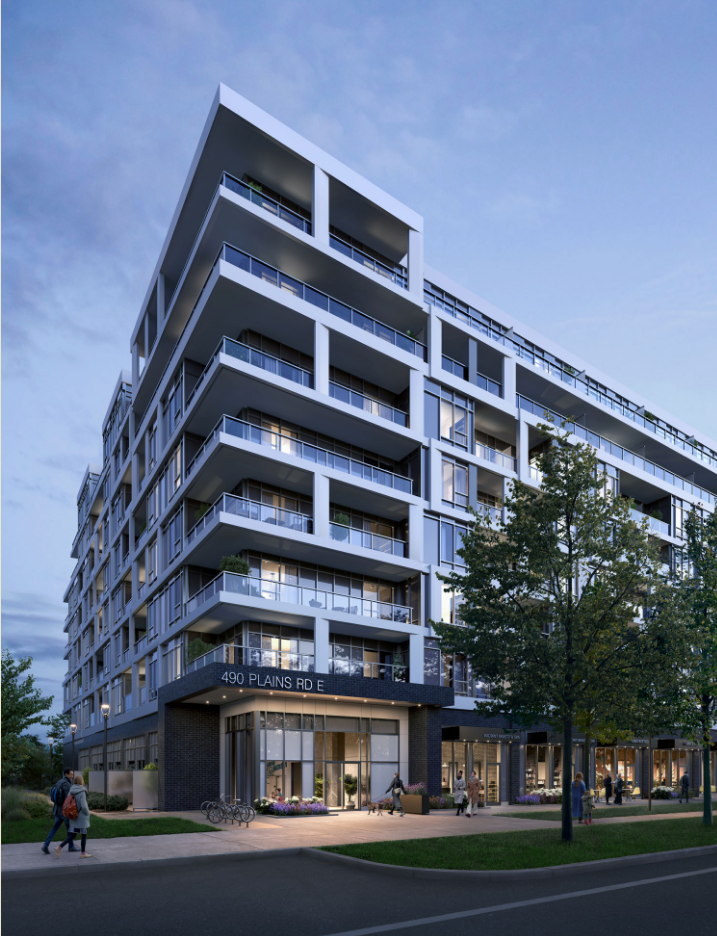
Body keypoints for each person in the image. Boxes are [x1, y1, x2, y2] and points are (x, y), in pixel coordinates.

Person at [55, 774, 91, 858]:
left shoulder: (71, 790)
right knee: (83, 835)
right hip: (81, 817)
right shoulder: (82, 791)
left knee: (72, 835)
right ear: (81, 781)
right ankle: (83, 853)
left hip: (73, 816)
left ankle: (59, 847)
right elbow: (84, 806)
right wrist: (88, 813)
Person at [41, 768, 77, 854]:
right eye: (71, 774)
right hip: (64, 812)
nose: (72, 776)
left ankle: (45, 845)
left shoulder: (59, 782)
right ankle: (71, 846)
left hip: (57, 810)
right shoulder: (67, 785)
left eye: (72, 774)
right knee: (71, 829)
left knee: (54, 828)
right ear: (66, 774)